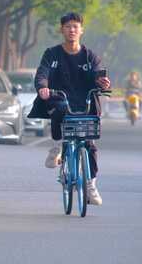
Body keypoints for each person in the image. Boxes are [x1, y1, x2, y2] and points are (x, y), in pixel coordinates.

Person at [28, 12, 110, 205]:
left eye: (75, 26)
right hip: (60, 99)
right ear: (61, 30)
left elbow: (98, 75)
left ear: (81, 30)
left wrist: (103, 82)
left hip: (85, 103)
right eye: (68, 26)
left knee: (89, 145)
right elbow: (42, 74)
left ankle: (91, 185)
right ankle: (57, 146)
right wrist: (42, 88)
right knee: (60, 107)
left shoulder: (90, 56)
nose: (72, 30)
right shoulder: (52, 54)